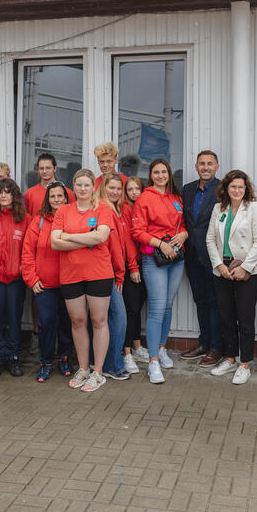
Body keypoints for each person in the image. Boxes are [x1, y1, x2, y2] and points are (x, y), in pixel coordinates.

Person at [51, 168, 117, 392]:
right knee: (78, 322)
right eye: (78, 185)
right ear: (73, 186)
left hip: (98, 273)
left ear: (93, 187)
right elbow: (54, 243)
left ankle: (98, 372)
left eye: (86, 185)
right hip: (70, 275)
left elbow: (101, 236)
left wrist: (69, 236)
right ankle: (83, 368)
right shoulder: (63, 211)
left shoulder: (103, 208)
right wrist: (87, 240)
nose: (82, 189)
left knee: (98, 321)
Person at [204, 169, 257, 385]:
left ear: (246, 188)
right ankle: (230, 358)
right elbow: (210, 239)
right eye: (233, 186)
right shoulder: (218, 208)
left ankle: (244, 363)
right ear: (226, 188)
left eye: (241, 186)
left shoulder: (254, 208)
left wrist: (245, 267)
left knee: (245, 319)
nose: (237, 190)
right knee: (226, 317)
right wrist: (218, 265)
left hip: (247, 272)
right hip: (222, 271)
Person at [131, 158, 188, 384]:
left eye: (164, 172)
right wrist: (160, 244)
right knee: (155, 308)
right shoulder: (145, 198)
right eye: (156, 172)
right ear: (151, 175)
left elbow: (181, 225)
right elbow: (137, 231)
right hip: (154, 258)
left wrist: (184, 234)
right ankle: (153, 361)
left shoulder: (176, 197)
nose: (161, 176)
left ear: (169, 174)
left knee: (167, 305)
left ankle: (161, 348)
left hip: (176, 258)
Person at [22, 182, 75, 382]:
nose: (56, 200)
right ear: (47, 199)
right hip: (44, 284)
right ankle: (45, 362)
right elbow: (27, 252)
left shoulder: (74, 219)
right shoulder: (39, 221)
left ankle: (64, 358)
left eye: (60, 196)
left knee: (67, 323)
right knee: (46, 324)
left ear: (66, 197)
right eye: (52, 196)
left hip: (70, 282)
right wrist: (31, 278)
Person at [0, 178, 30, 379]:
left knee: (13, 318)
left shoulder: (24, 219)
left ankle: (12, 356)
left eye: (7, 192)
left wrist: (22, 267)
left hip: (15, 279)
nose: (3, 195)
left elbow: (29, 248)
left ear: (14, 195)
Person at [180, 150, 222, 366]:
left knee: (215, 303)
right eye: (202, 163)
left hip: (214, 256)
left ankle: (216, 347)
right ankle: (204, 343)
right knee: (200, 300)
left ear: (216, 166)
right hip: (192, 255)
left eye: (210, 164)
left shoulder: (223, 189)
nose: (205, 167)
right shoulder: (187, 190)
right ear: (196, 166)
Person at [98, 172, 135, 380]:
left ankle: (106, 363)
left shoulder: (118, 209)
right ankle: (113, 365)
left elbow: (123, 243)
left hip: (113, 272)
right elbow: (112, 246)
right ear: (103, 188)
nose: (115, 191)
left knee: (109, 319)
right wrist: (120, 274)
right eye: (111, 188)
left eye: (118, 188)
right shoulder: (104, 209)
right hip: (107, 272)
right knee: (117, 318)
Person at [122, 176, 148, 366]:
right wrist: (132, 266)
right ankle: (127, 351)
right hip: (130, 265)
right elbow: (128, 240)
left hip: (145, 261)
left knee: (138, 308)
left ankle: (137, 346)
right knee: (130, 309)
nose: (133, 193)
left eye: (136, 189)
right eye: (129, 189)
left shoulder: (145, 206)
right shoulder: (124, 209)